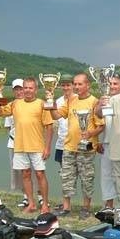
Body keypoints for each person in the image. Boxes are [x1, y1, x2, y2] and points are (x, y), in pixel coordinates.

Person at [0, 77, 53, 213]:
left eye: (30, 88)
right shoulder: (15, 103)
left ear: (35, 90)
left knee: (40, 174)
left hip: (37, 146)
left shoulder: (41, 104)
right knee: (25, 175)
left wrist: (48, 147)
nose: (27, 90)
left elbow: (49, 127)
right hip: (19, 146)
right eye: (25, 87)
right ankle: (31, 204)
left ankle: (45, 204)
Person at [50, 73, 104, 219]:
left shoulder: (95, 102)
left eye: (80, 84)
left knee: (87, 179)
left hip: (86, 149)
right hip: (69, 147)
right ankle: (66, 208)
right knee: (67, 178)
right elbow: (56, 116)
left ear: (87, 85)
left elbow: (101, 126)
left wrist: (90, 133)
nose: (76, 87)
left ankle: (86, 208)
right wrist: (50, 103)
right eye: (75, 84)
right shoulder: (70, 100)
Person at [97, 72, 120, 209]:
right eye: (110, 84)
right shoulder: (104, 99)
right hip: (107, 143)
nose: (112, 86)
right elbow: (97, 115)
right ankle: (108, 205)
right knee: (106, 175)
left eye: (115, 84)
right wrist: (101, 104)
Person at [52, 74, 75, 211]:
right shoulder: (58, 101)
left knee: (78, 174)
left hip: (76, 143)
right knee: (64, 174)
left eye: (68, 85)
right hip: (61, 143)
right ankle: (66, 203)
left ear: (73, 85)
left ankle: (85, 205)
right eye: (64, 85)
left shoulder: (78, 99)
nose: (66, 87)